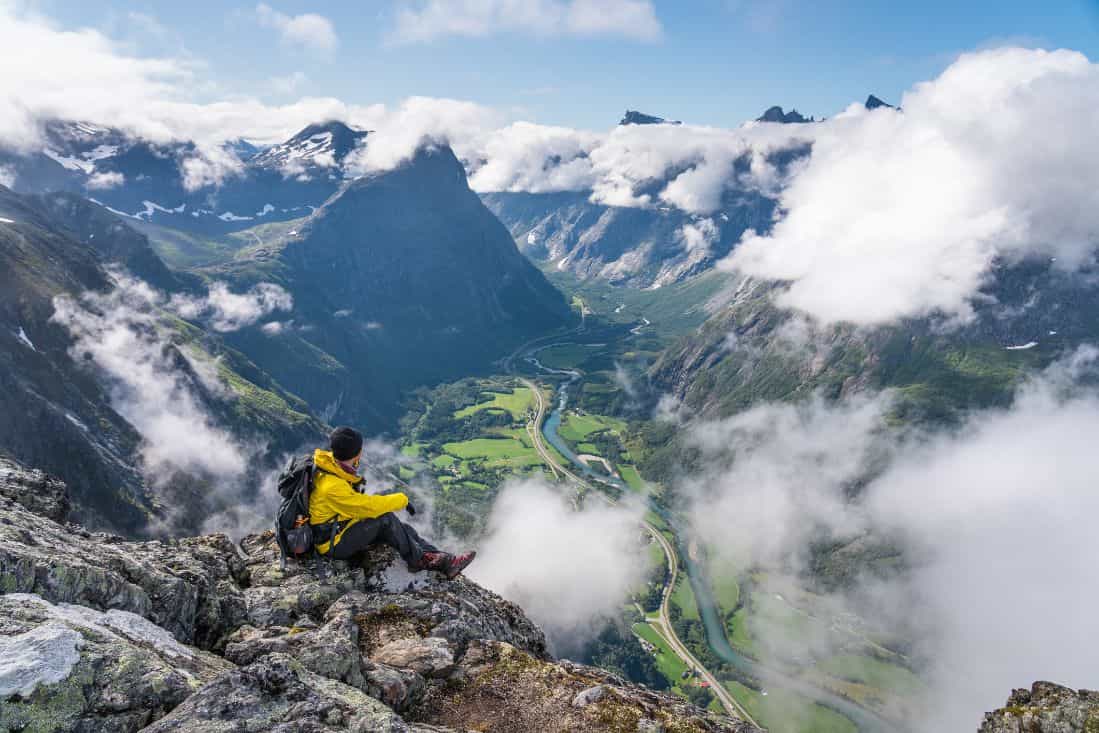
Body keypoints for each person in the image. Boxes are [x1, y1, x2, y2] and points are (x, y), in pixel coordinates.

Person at [310, 426, 476, 579]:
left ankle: (443, 559)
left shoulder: (330, 465)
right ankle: (420, 561)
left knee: (404, 529)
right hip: (332, 544)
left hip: (339, 526)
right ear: (357, 453)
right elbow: (365, 507)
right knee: (385, 519)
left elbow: (354, 505)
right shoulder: (332, 486)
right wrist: (401, 499)